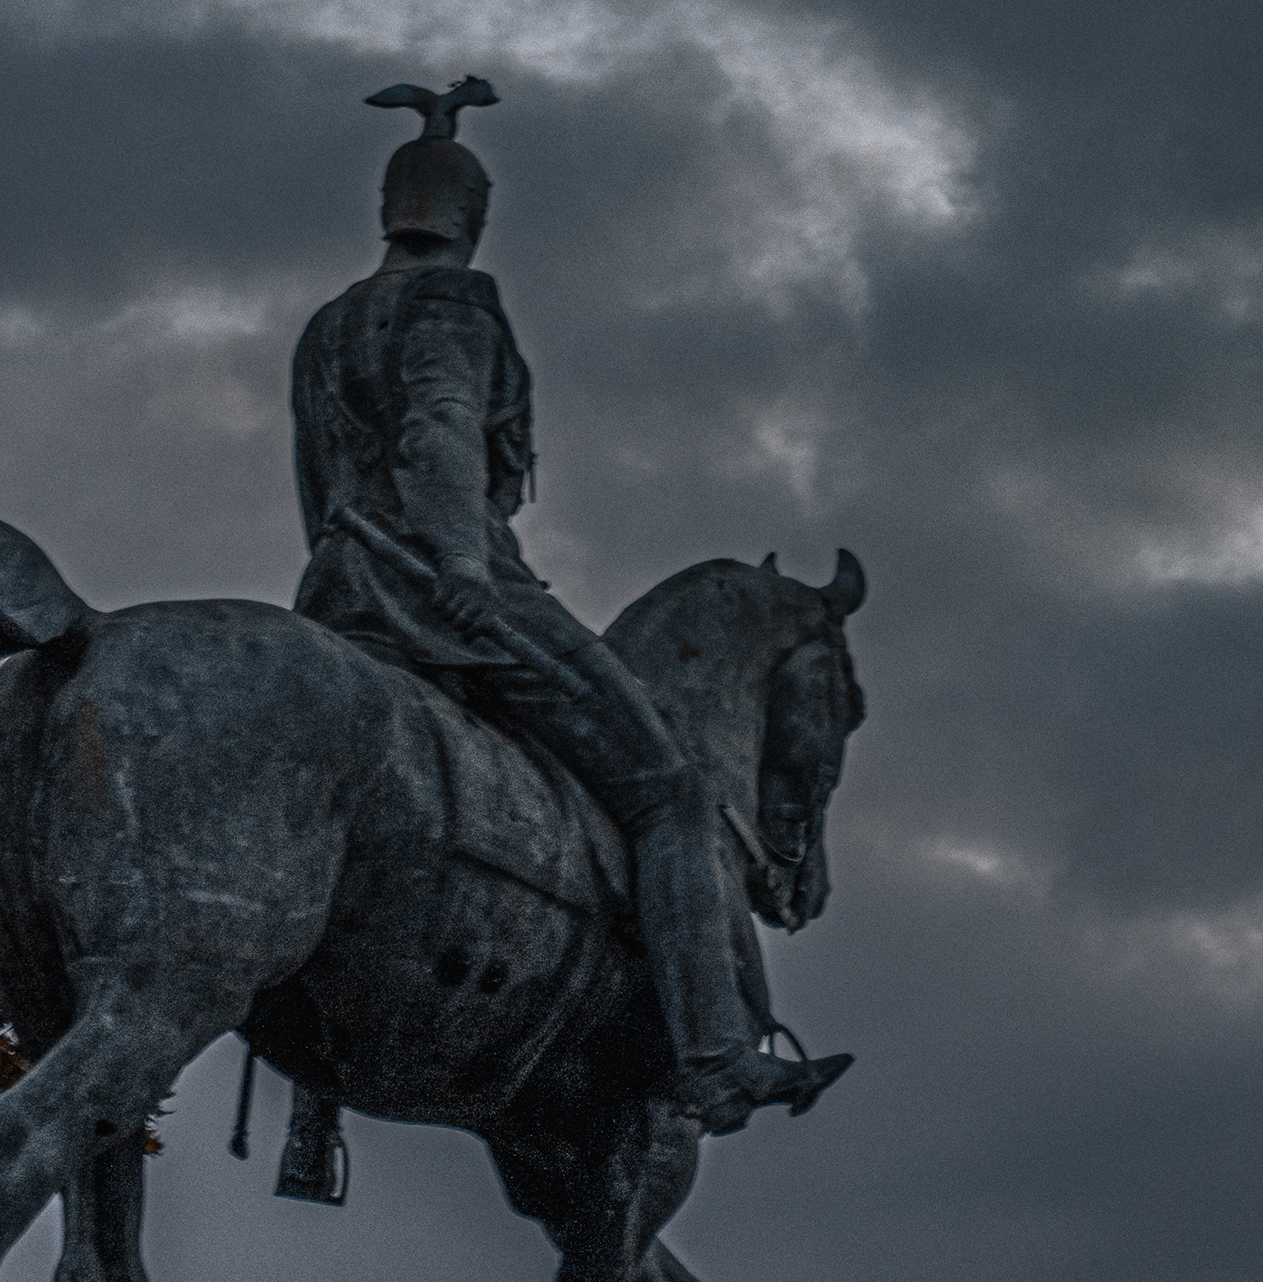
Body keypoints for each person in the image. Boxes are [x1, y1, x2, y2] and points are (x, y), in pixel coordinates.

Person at [290, 78, 848, 1133]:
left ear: (390, 209)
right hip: (450, 588)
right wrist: (461, 563)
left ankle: (312, 1104)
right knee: (672, 791)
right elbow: (441, 426)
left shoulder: (328, 325)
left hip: (339, 590)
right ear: (471, 212)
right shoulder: (455, 301)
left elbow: (319, 481)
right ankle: (716, 1056)